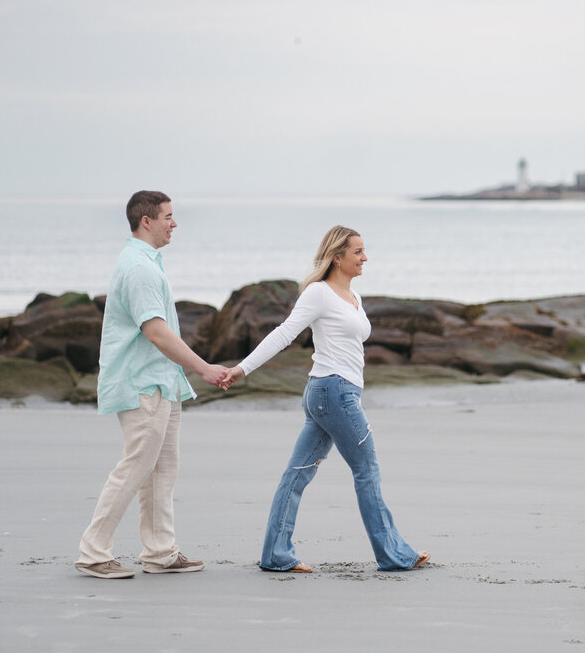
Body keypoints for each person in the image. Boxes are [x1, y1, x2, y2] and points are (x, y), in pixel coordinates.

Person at [221, 225, 429, 573]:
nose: (365, 257)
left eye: (364, 251)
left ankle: (275, 554)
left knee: (297, 474)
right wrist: (243, 369)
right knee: (367, 470)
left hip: (333, 393)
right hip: (333, 392)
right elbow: (284, 333)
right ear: (337, 257)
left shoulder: (352, 296)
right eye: (358, 252)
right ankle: (393, 555)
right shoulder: (318, 293)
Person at [75, 190, 230, 579]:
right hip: (141, 383)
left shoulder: (146, 262)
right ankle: (93, 552)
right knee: (135, 467)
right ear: (147, 221)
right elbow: (157, 332)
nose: (174, 223)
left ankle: (160, 551)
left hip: (162, 382)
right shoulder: (140, 268)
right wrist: (204, 369)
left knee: (162, 470)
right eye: (168, 216)